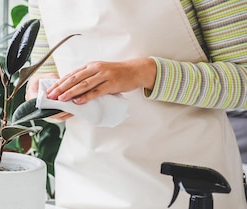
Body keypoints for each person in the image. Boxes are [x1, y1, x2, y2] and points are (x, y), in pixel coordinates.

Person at [25, 0, 247, 208]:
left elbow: (243, 81)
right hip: (84, 175)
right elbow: (43, 70)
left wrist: (145, 73)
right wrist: (45, 93)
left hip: (187, 178)